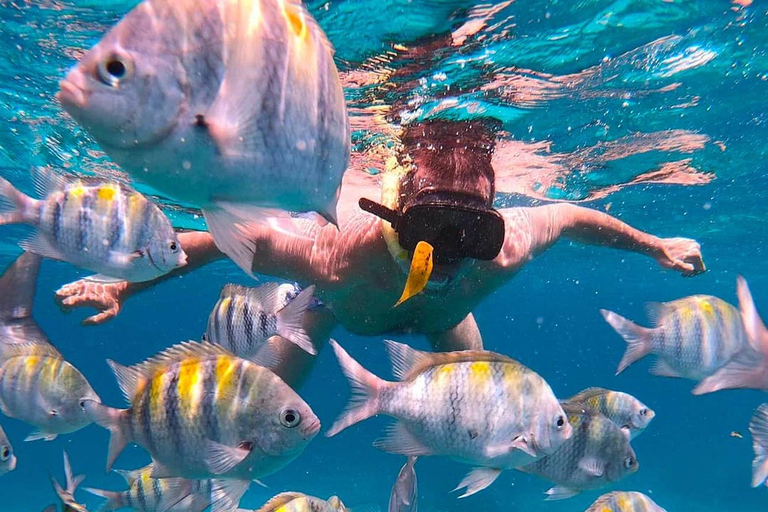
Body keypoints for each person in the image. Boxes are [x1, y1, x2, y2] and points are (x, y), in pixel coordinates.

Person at [54, 119, 705, 387]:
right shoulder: (332, 259)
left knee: (498, 397)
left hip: (438, 325)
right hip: (332, 309)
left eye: (468, 234)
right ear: (394, 213)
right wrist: (122, 284)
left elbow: (567, 217)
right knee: (261, 407)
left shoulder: (499, 254)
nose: (449, 256)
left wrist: (656, 247)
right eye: (430, 230)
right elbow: (210, 244)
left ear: (493, 221)